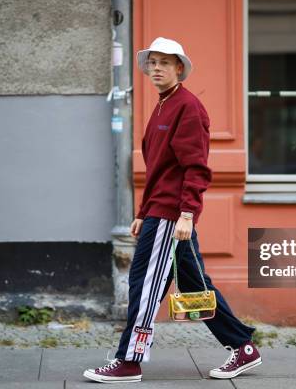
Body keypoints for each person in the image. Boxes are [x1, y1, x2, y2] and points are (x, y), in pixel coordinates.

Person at [83, 37, 261, 383]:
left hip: (172, 216)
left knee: (145, 284)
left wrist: (186, 213)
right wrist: (142, 210)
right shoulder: (164, 105)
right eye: (153, 63)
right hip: (161, 211)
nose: (156, 69)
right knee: (194, 286)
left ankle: (130, 359)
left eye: (165, 62)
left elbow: (196, 168)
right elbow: (160, 170)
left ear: (179, 68)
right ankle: (243, 347)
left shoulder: (188, 107)